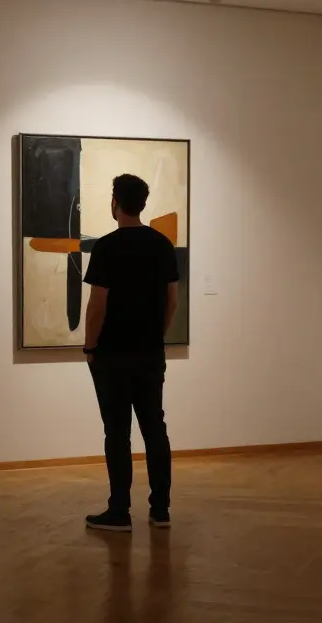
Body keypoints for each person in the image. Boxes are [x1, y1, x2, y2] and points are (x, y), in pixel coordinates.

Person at [81, 173, 179, 532]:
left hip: (112, 356)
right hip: (150, 353)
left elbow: (97, 306)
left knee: (117, 432)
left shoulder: (107, 247)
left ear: (115, 203)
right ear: (142, 203)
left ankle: (119, 510)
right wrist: (156, 337)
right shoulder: (162, 246)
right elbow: (172, 302)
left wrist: (90, 347)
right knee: (155, 428)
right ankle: (161, 510)